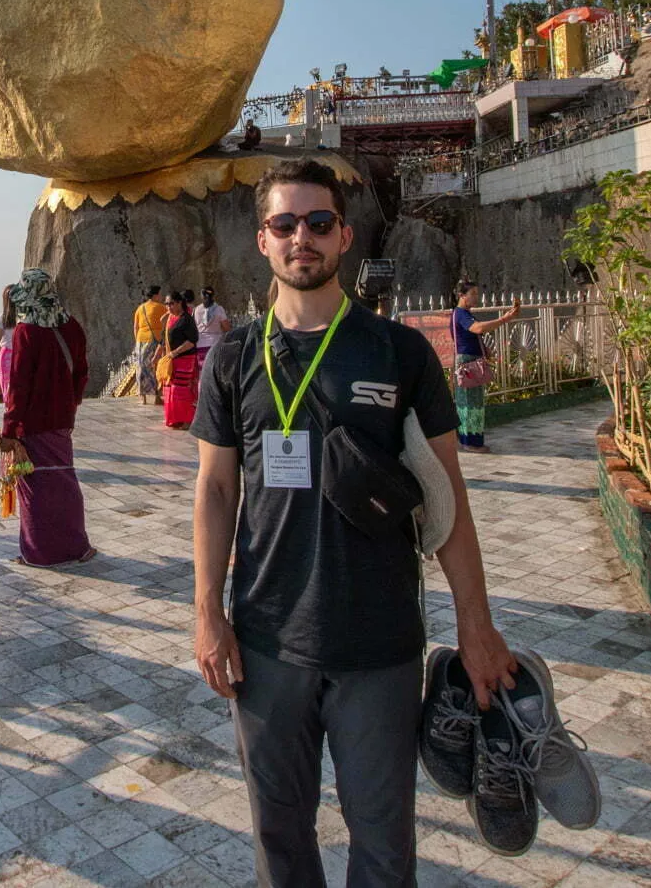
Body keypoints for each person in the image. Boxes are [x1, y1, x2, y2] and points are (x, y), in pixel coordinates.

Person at [192, 156, 516, 885]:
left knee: (382, 839)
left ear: (343, 236)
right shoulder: (235, 358)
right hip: (268, 639)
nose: (300, 237)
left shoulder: (397, 352)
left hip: (380, 642)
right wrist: (207, 610)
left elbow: (446, 495)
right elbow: (216, 489)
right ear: (263, 241)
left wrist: (476, 622)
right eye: (284, 223)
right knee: (279, 834)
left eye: (317, 222)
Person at [0, 268, 95, 566]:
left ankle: (39, 552)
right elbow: (81, 373)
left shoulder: (27, 332)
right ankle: (75, 546)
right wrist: (70, 405)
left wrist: (10, 430)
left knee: (34, 486)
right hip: (62, 420)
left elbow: (19, 385)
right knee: (64, 478)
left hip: (33, 423)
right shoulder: (73, 327)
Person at [449, 282, 520, 454]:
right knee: (470, 403)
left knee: (471, 402)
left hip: (471, 360)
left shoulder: (463, 314)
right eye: (472, 293)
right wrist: (504, 319)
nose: (476, 297)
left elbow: (474, 335)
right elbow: (477, 328)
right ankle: (470, 442)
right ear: (462, 295)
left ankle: (469, 440)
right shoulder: (461, 314)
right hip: (468, 363)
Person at [161, 290, 201, 429]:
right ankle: (175, 419)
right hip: (173, 359)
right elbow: (164, 338)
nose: (168, 307)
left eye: (171, 303)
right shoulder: (171, 319)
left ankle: (188, 420)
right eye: (166, 304)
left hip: (185, 359)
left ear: (179, 303)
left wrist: (175, 353)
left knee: (181, 391)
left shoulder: (187, 319)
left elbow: (192, 340)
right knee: (171, 390)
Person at [132, 285, 167, 406]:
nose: (161, 296)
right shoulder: (162, 308)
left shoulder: (140, 308)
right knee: (155, 367)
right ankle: (157, 397)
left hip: (140, 340)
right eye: (160, 294)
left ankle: (143, 397)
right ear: (155, 295)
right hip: (154, 340)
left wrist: (137, 340)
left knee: (141, 368)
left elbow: (135, 327)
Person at [195, 286, 231, 360]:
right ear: (213, 295)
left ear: (202, 296)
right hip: (215, 343)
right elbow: (227, 328)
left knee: (203, 369)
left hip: (200, 344)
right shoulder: (219, 309)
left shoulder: (196, 310)